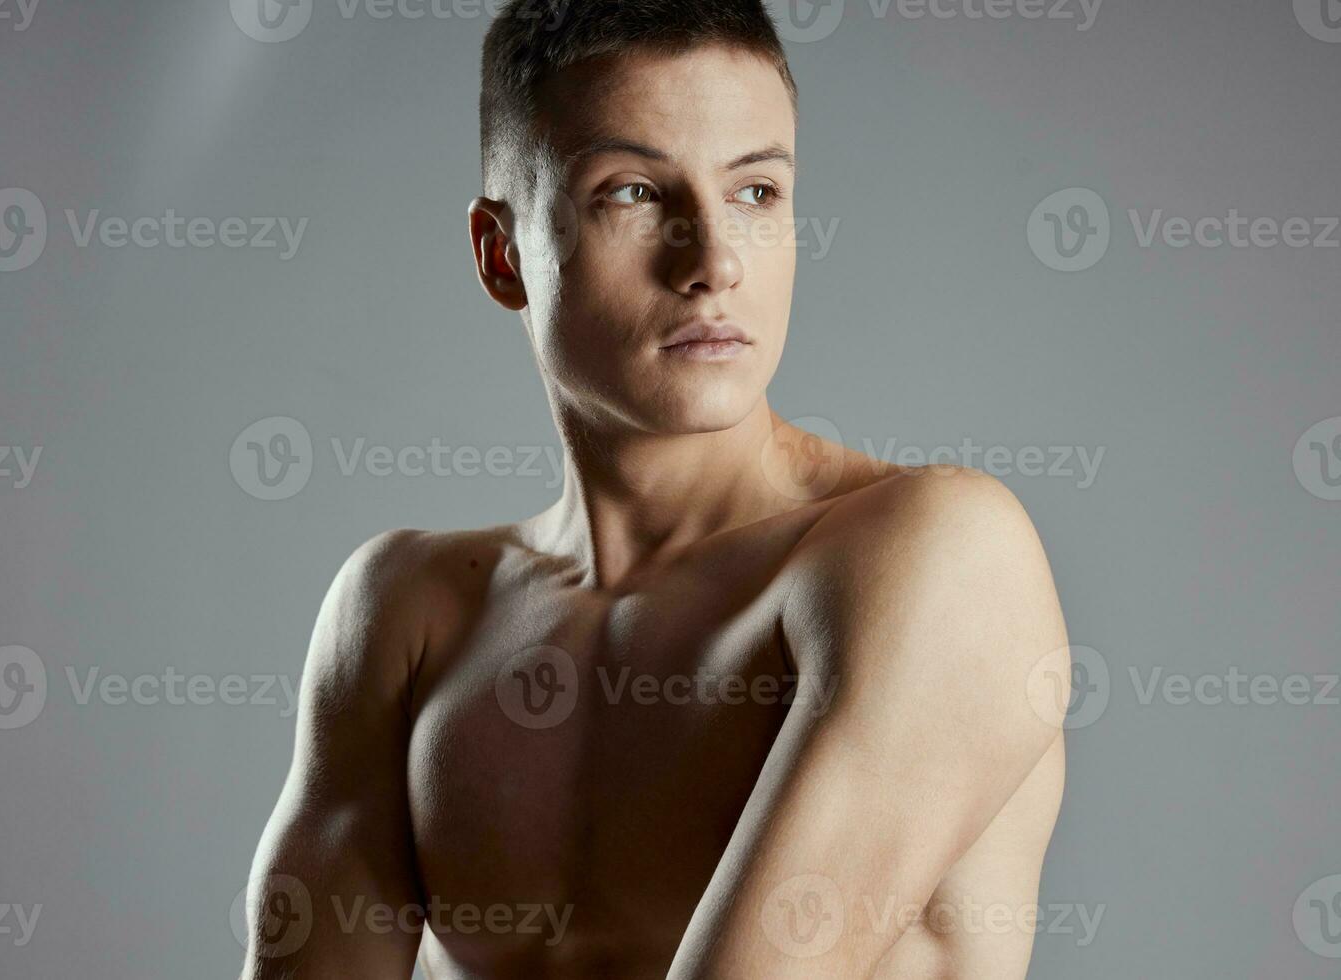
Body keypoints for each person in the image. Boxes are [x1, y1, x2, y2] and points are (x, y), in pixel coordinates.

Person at [241, 2, 1070, 976]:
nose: (714, 262)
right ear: (502, 253)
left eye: (756, 192)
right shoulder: (411, 612)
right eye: (633, 191)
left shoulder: (930, 553)